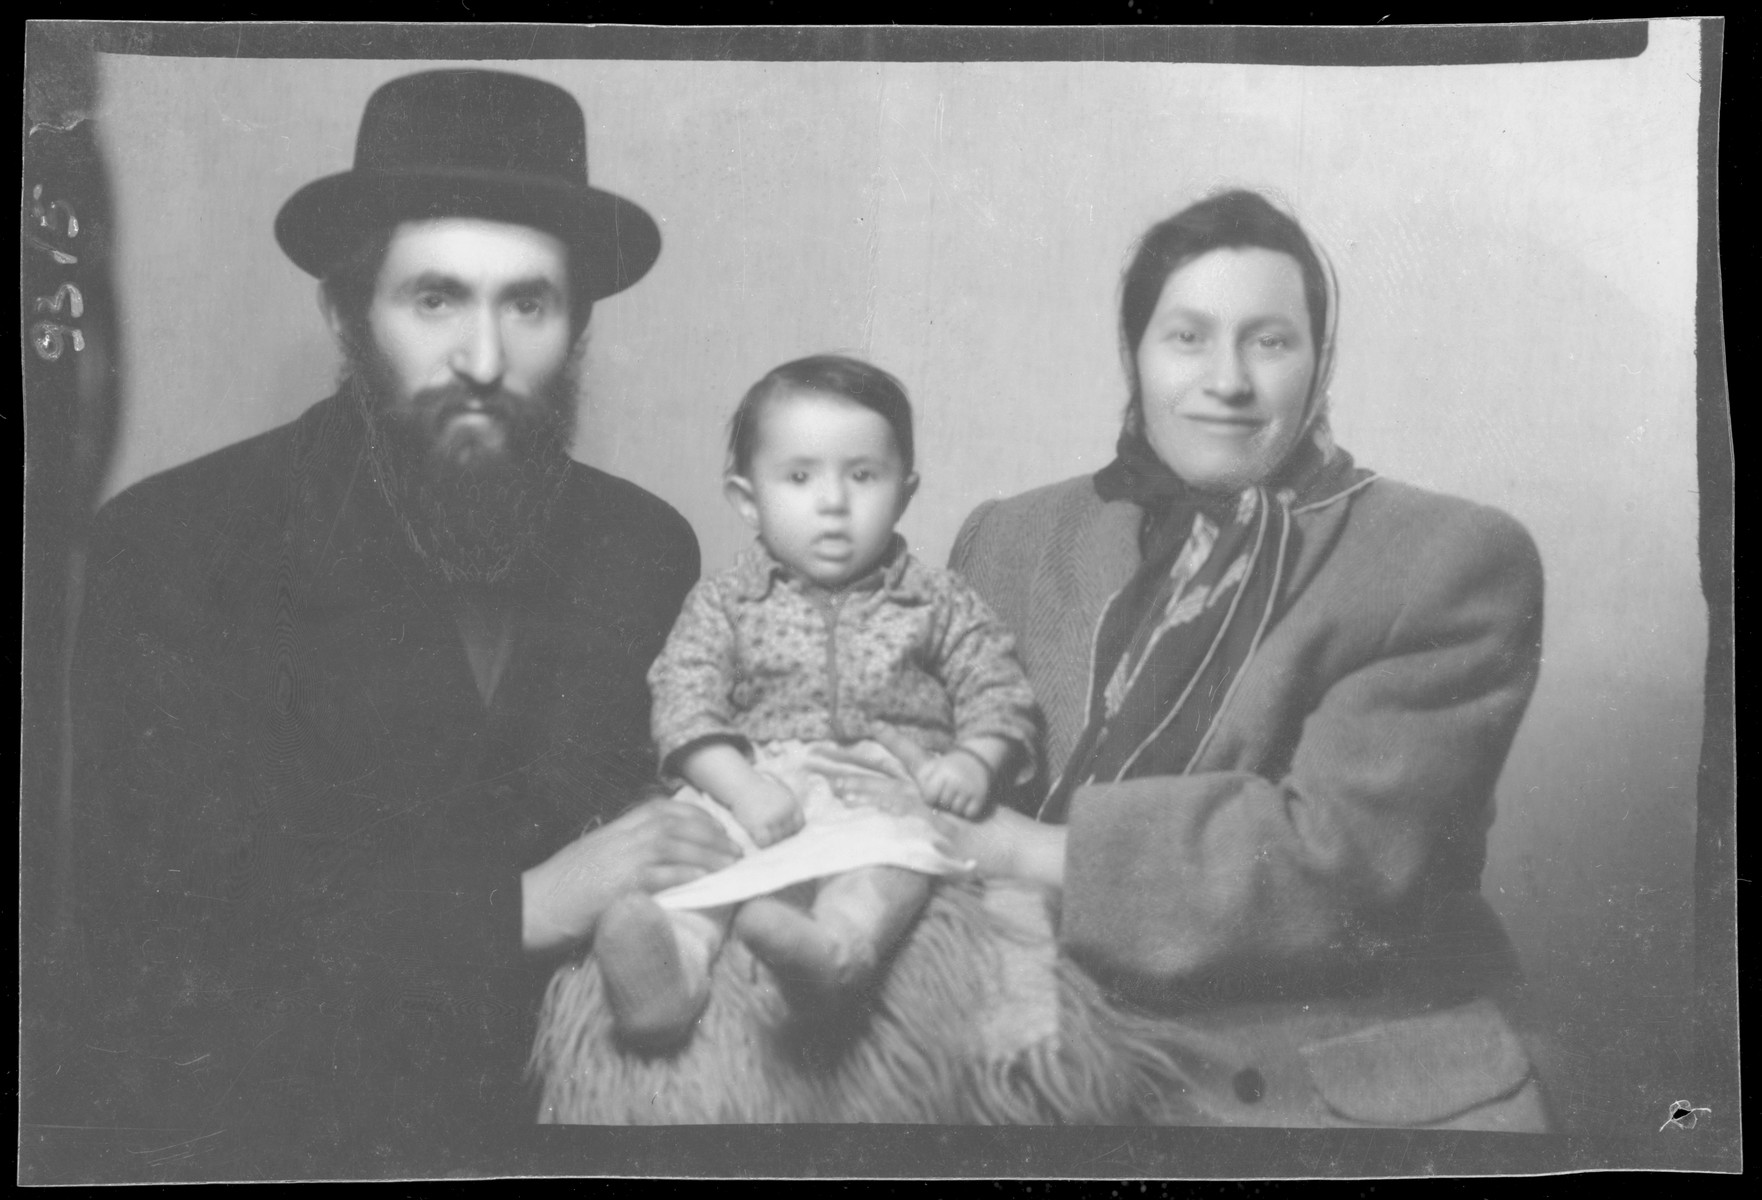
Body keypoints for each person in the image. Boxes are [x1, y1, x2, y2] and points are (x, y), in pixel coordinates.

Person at [45, 70, 744, 1177]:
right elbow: (161, 943)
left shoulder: (644, 548)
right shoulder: (175, 545)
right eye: (434, 299)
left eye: (528, 303)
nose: (482, 358)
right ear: (345, 312)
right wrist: (523, 906)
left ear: (578, 327)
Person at [903, 188, 1552, 1130]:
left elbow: (1336, 863)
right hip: (1034, 1053)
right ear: (1134, 356)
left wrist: (1020, 851)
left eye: (1269, 341)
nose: (1228, 380)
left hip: (1314, 1088)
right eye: (1188, 337)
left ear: (1319, 364)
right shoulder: (1009, 537)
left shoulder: (1449, 555)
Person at [594, 355, 1040, 1047]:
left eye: (863, 476)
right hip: (756, 784)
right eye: (799, 478)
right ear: (748, 499)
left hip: (879, 785)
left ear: (905, 491)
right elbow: (683, 696)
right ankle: (668, 975)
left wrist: (976, 763)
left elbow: (997, 686)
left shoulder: (937, 599)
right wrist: (738, 786)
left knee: (893, 857)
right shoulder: (726, 601)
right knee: (696, 859)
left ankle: (832, 950)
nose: (833, 502)